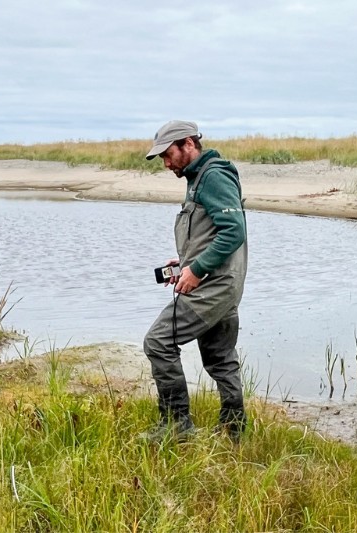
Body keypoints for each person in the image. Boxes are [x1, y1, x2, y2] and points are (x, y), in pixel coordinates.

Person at [141, 120, 248, 442]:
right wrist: (185, 262)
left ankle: (177, 425)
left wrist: (197, 269)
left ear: (188, 144)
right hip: (224, 284)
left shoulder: (213, 176)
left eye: (168, 154)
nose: (166, 163)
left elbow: (234, 231)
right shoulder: (199, 177)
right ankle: (234, 430)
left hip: (213, 287)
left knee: (159, 342)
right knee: (220, 358)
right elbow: (213, 231)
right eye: (162, 158)